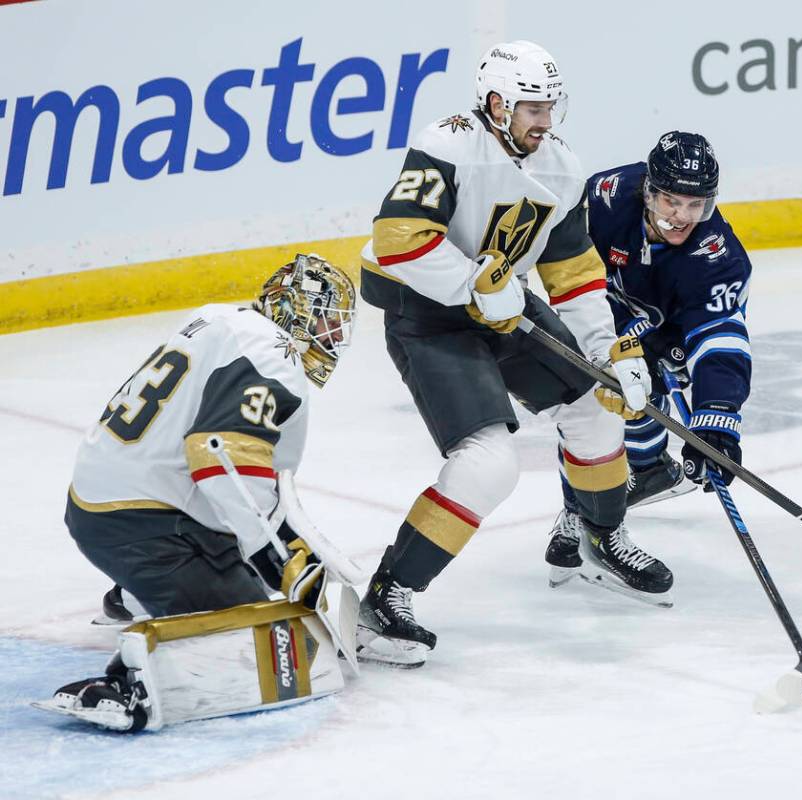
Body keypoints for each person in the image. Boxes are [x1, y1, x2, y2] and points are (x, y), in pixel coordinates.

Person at [355, 40, 673, 668]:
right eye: (532, 107)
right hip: (426, 313)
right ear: (496, 103)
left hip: (502, 301)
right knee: (488, 465)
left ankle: (598, 536)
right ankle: (386, 599)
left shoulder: (559, 167)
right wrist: (471, 284)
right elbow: (396, 241)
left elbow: (575, 273)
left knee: (599, 409)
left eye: (551, 107)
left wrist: (611, 353)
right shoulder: (448, 144)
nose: (544, 121)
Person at [35, 254, 358, 732]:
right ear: (296, 311)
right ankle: (130, 684)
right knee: (268, 641)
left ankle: (139, 590)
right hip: (143, 521)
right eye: (327, 320)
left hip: (110, 498)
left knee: (246, 560)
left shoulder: (217, 319)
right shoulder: (276, 352)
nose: (331, 337)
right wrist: (280, 557)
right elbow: (219, 454)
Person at [544, 131, 753, 586]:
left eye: (696, 205)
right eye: (672, 202)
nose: (683, 217)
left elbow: (721, 338)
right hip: (605, 317)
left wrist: (716, 418)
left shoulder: (717, 256)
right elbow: (558, 256)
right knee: (586, 398)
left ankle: (645, 470)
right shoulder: (605, 199)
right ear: (649, 192)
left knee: (640, 393)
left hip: (671, 331)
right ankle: (585, 504)